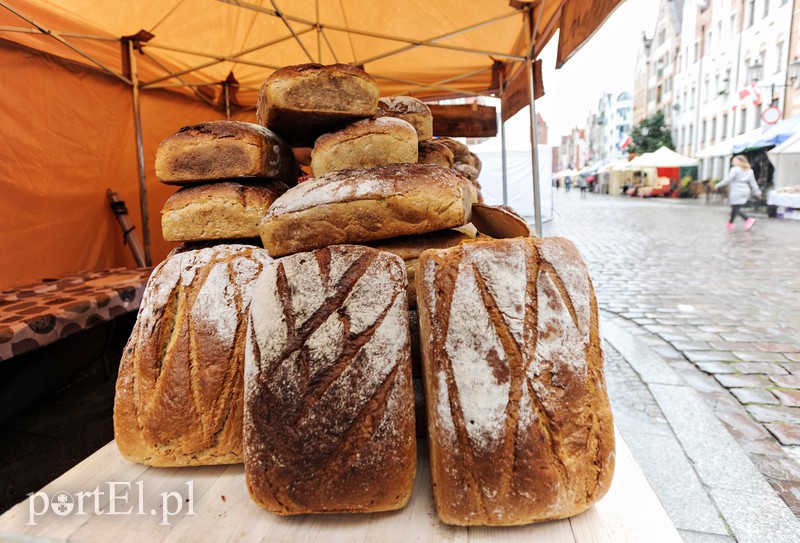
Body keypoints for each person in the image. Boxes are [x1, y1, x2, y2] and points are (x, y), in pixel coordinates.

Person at [715, 155, 762, 232]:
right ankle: (730, 223)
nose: (733, 162)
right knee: (735, 207)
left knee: (735, 208)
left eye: (734, 160)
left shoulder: (735, 169)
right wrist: (757, 192)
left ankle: (748, 219)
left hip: (736, 190)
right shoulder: (749, 171)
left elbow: (728, 179)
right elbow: (753, 182)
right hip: (745, 190)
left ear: (740, 161)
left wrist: (718, 185)